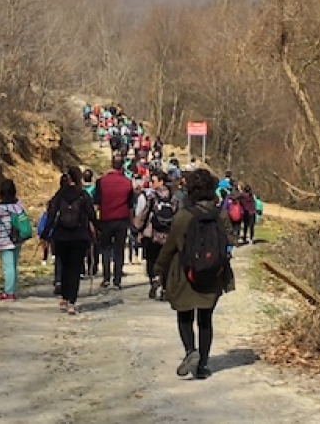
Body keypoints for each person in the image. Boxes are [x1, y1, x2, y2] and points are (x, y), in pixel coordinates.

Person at [154, 169, 236, 380]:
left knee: (185, 315)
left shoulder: (183, 216)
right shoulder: (221, 215)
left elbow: (169, 248)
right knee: (206, 319)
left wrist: (158, 270)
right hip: (214, 274)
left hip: (185, 274)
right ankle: (203, 366)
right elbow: (230, 241)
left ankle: (191, 351)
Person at [42, 166, 98, 315]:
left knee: (65, 267)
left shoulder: (60, 194)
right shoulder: (83, 195)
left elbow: (51, 214)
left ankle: (64, 298)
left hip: (61, 236)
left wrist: (45, 235)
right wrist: (97, 231)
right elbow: (92, 215)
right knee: (75, 269)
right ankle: (72, 302)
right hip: (79, 236)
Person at [93, 154, 134, 290]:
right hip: (122, 220)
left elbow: (96, 203)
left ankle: (106, 278)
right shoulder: (127, 183)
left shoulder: (101, 182)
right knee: (119, 250)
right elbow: (130, 205)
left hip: (105, 219)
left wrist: (95, 221)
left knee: (105, 249)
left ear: (111, 164)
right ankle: (117, 280)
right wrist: (132, 222)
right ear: (122, 166)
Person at [135, 170, 177, 300]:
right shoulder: (173, 198)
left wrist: (140, 230)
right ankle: (164, 288)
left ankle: (154, 279)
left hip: (153, 235)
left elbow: (145, 214)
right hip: (168, 236)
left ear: (161, 181)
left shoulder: (152, 197)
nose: (151, 184)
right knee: (166, 262)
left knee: (152, 260)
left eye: (153, 181)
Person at [0, 179, 26, 301]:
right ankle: (12, 290)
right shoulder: (18, 205)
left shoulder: (1, 207)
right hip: (17, 239)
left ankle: (9, 292)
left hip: (5, 240)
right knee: (14, 266)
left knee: (8, 267)